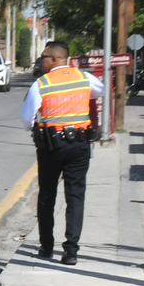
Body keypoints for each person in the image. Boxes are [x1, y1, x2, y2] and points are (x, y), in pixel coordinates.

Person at [21, 41, 104, 266]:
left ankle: (46, 246)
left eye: (44, 57)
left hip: (51, 146)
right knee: (75, 196)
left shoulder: (42, 83)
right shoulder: (84, 78)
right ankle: (71, 252)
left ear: (56, 58)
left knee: (47, 195)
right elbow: (101, 91)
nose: (41, 60)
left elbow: (26, 119)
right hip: (79, 146)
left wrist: (35, 127)